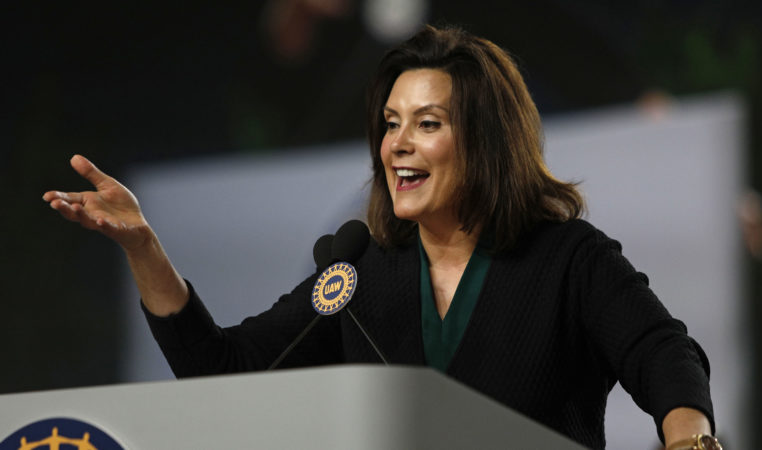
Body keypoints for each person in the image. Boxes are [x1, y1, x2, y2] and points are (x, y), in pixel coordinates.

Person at [43, 25, 720, 450]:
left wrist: (687, 433)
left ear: (484, 141)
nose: (397, 144)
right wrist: (144, 249)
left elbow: (661, 350)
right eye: (391, 123)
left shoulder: (568, 258)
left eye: (426, 123)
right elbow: (222, 372)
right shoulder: (364, 270)